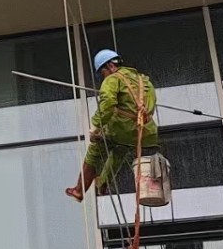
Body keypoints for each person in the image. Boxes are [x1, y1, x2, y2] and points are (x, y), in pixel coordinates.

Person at [67, 49, 158, 202]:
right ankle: (103, 182)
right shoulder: (145, 82)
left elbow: (108, 103)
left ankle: (79, 190)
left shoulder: (113, 79)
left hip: (121, 129)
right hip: (146, 133)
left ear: (110, 66)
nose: (104, 77)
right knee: (120, 150)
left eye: (102, 73)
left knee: (96, 150)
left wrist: (96, 126)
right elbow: (151, 107)